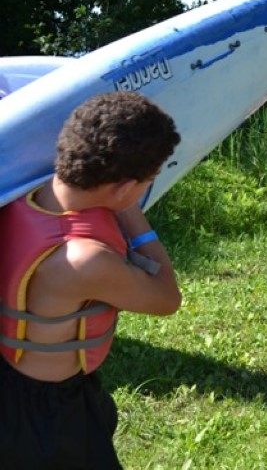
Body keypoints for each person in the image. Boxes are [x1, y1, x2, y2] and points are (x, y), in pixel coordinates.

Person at [0, 91, 182, 468]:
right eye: (147, 181)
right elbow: (167, 298)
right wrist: (131, 211)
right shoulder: (84, 259)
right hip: (45, 414)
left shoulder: (21, 193)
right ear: (123, 186)